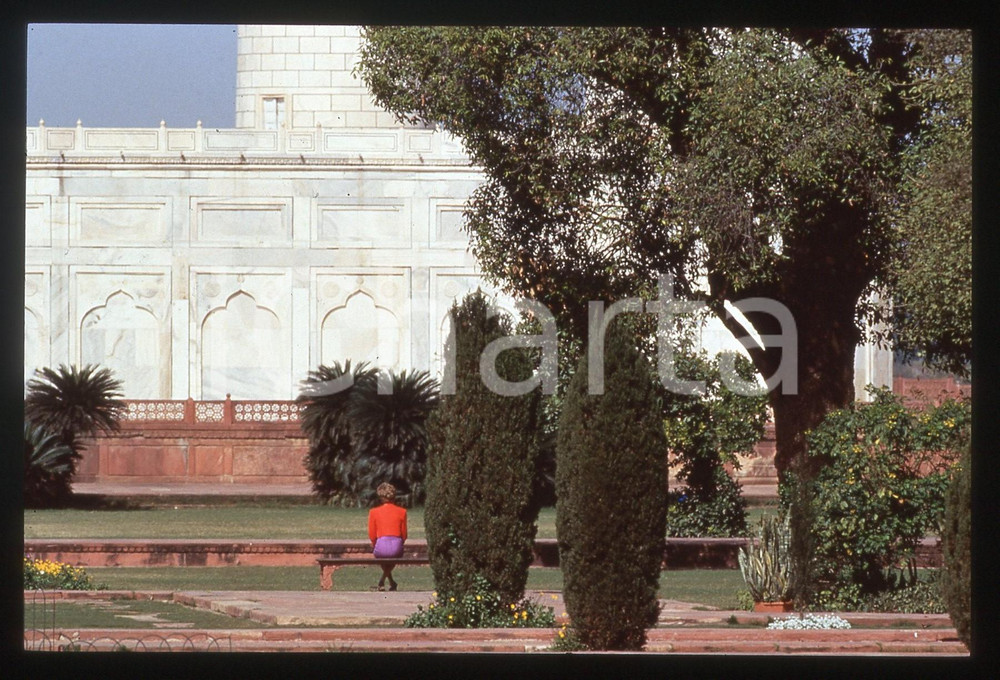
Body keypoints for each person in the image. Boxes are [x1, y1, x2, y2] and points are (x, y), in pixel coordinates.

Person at [367, 482, 407, 591]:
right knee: (392, 556)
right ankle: (390, 582)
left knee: (382, 556)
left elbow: (372, 534)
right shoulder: (402, 512)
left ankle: (382, 581)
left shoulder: (373, 512)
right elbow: (404, 534)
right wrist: (400, 543)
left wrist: (374, 544)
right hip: (396, 544)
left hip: (381, 544)